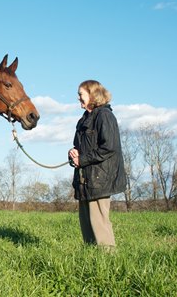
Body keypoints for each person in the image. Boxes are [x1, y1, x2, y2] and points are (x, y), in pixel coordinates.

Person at [68, 80, 126, 250]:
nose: (78, 98)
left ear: (92, 94)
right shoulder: (84, 119)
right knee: (87, 229)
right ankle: (93, 263)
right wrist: (73, 155)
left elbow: (109, 148)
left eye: (81, 94)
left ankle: (108, 265)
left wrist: (83, 159)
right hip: (84, 180)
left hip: (99, 180)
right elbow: (79, 148)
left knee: (100, 227)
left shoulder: (104, 116)